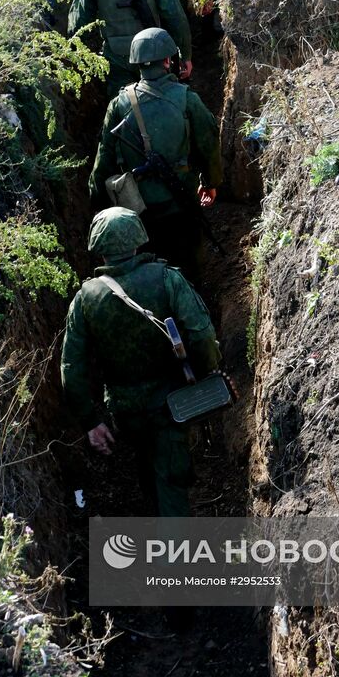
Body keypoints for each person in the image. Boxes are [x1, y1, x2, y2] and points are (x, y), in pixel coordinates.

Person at [61, 206, 221, 517]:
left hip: (125, 410)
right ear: (138, 240)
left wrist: (91, 421)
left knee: (149, 464)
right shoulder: (167, 279)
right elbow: (201, 334)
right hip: (173, 401)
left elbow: (72, 369)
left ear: (98, 248)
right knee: (171, 479)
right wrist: (206, 378)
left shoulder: (85, 299)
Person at [88, 28, 222, 288]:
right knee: (189, 275)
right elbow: (208, 143)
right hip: (181, 204)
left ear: (137, 63)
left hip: (137, 211)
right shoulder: (187, 99)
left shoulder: (118, 104)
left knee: (145, 279)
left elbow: (103, 161)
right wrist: (210, 181)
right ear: (167, 61)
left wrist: (99, 205)